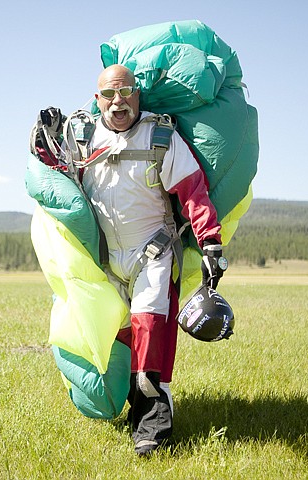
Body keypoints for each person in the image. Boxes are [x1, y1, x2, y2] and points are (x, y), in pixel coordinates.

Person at [81, 64, 226, 455]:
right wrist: (41, 145)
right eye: (109, 94)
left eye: (126, 91)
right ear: (98, 100)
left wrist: (211, 243)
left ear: (138, 94)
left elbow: (192, 191)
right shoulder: (82, 139)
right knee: (118, 336)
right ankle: (133, 407)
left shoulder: (160, 136)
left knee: (149, 331)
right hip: (106, 260)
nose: (118, 102)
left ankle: (153, 427)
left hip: (153, 252)